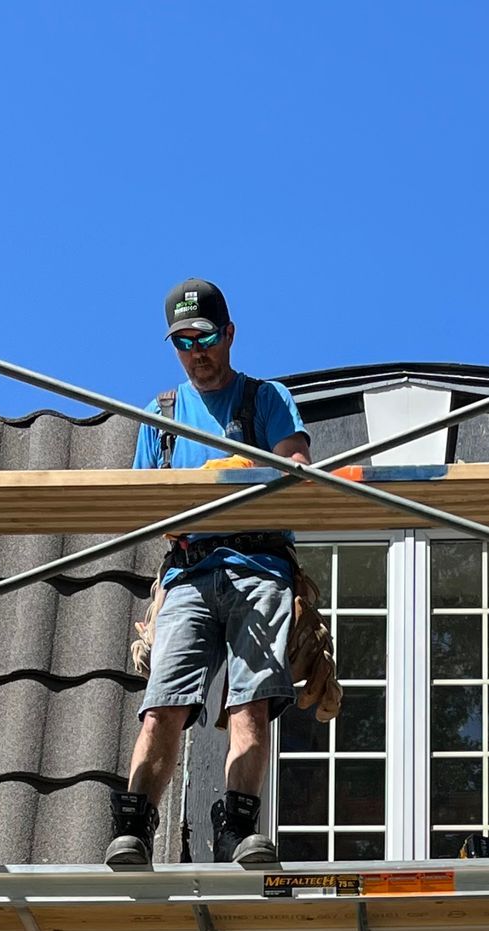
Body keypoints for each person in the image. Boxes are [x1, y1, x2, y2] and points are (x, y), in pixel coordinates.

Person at [106, 280, 312, 870]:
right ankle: (134, 832)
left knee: (249, 704)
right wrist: (180, 511)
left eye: (207, 337)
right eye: (183, 342)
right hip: (190, 572)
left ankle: (238, 833)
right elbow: (143, 503)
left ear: (230, 334)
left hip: (255, 565)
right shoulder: (163, 416)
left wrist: (240, 470)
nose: (196, 351)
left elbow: (297, 468)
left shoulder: (263, 400)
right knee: (164, 703)